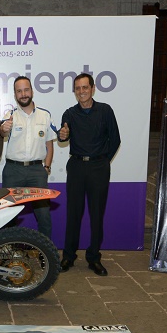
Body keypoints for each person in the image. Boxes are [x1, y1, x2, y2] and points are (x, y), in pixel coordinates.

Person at [57, 73, 121, 276]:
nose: (81, 91)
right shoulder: (69, 113)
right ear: (74, 91)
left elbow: (115, 139)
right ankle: (68, 256)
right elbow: (63, 135)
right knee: (73, 214)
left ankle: (94, 257)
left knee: (96, 214)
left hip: (98, 168)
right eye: (77, 88)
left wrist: (102, 161)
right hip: (76, 167)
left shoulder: (105, 110)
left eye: (85, 87)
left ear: (93, 89)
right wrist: (62, 135)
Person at [0, 76, 56, 237]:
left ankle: (45, 249)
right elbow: (2, 132)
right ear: (15, 94)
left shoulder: (45, 115)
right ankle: (9, 249)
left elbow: (49, 145)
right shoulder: (10, 115)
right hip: (13, 171)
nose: (23, 94)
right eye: (19, 91)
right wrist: (4, 129)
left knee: (43, 215)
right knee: (8, 215)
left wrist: (46, 167)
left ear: (32, 91)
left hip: (37, 171)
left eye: (26, 90)